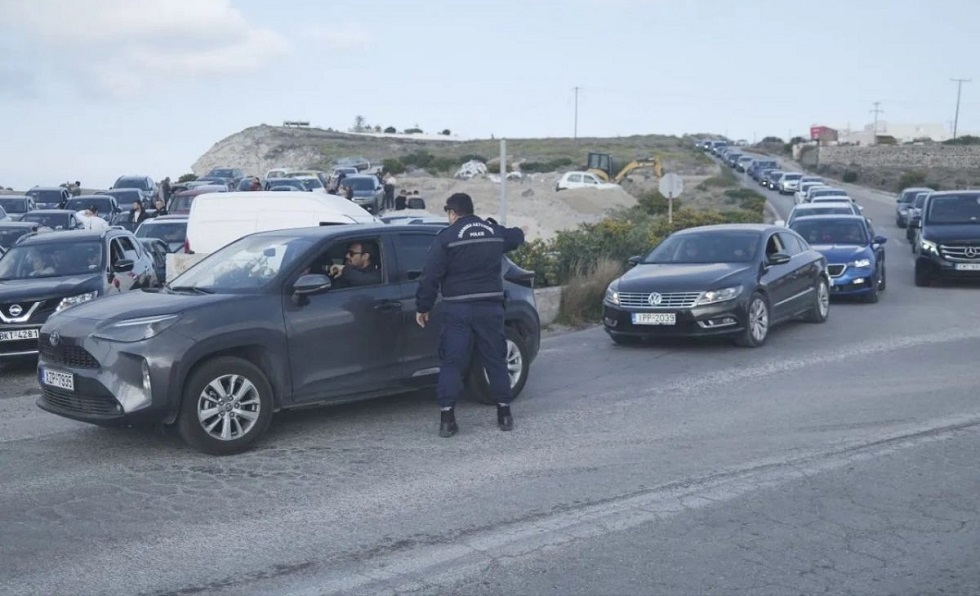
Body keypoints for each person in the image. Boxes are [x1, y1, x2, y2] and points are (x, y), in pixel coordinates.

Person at [415, 193, 525, 438]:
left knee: (452, 362)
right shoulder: (492, 232)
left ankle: (447, 419)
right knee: (495, 360)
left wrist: (423, 307)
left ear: (452, 213)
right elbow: (517, 236)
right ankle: (504, 415)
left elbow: (430, 276)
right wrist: (493, 226)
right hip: (490, 308)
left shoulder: (447, 238)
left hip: (458, 310)